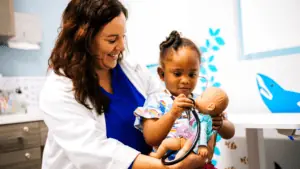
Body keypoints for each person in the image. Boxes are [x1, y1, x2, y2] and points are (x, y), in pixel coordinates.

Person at [39, 0, 235, 169]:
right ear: (83, 39)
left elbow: (164, 107)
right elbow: (94, 152)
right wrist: (166, 166)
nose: (122, 46)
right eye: (112, 39)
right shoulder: (59, 90)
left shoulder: (131, 71)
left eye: (123, 36)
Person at [133, 31, 224, 167]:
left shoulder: (202, 101)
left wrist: (221, 123)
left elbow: (229, 132)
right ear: (161, 74)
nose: (185, 80)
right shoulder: (156, 101)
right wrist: (172, 114)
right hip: (169, 166)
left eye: (192, 74)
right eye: (177, 73)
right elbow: (150, 138)